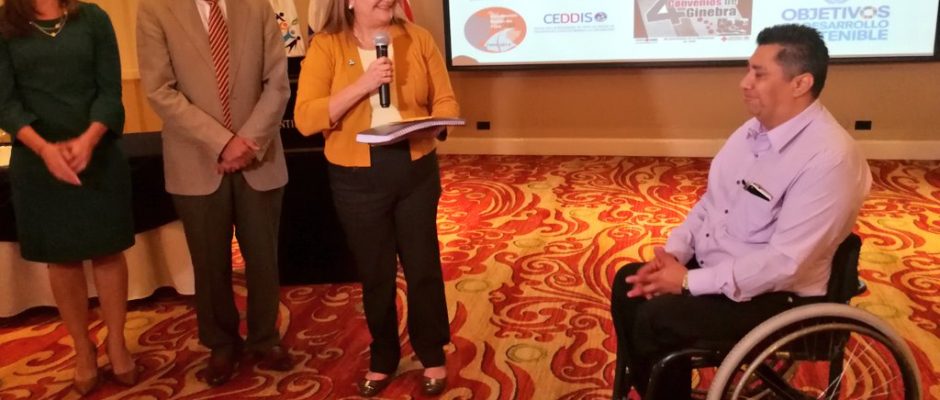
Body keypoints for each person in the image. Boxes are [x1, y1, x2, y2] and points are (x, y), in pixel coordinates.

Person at [609, 24, 872, 399]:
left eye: (759, 74)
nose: (744, 83)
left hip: (778, 297)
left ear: (800, 83)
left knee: (657, 318)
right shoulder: (752, 132)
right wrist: (675, 254)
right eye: (748, 70)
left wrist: (688, 282)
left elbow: (784, 264)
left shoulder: (830, 160)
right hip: (727, 269)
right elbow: (711, 204)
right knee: (630, 283)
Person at [294, 0, 459, 396]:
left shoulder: (418, 38)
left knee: (422, 266)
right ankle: (383, 355)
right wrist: (364, 85)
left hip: (414, 169)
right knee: (376, 273)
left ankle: (431, 352)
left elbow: (446, 101)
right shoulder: (326, 46)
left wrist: (435, 125)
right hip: (357, 178)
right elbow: (306, 118)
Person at [136, 0, 291, 386]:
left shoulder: (256, 6)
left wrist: (247, 142)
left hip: (259, 156)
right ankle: (221, 343)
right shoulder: (156, 10)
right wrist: (222, 142)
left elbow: (277, 82)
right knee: (208, 263)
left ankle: (265, 337)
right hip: (195, 159)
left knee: (264, 258)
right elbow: (160, 90)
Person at [0, 0, 137, 395]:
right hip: (38, 160)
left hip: (98, 155)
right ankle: (82, 349)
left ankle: (116, 342)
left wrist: (88, 140)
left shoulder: (93, 18)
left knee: (108, 252)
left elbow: (110, 92)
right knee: (62, 259)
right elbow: (5, 104)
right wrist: (45, 149)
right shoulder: (4, 26)